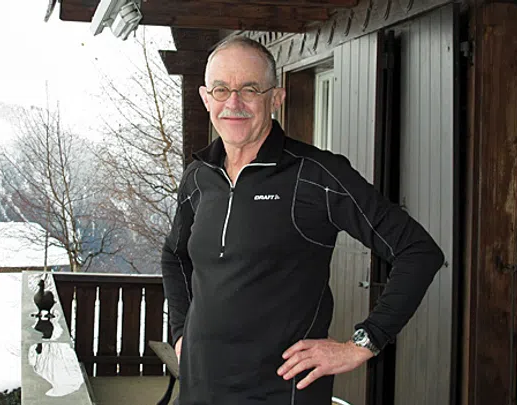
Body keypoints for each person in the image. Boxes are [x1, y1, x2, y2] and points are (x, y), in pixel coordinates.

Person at [161, 36, 444, 405]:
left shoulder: (316, 175)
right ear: (205, 98)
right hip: (200, 389)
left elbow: (418, 251)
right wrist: (181, 332)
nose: (233, 103)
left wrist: (364, 342)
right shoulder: (199, 176)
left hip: (281, 392)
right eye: (221, 90)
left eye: (250, 89)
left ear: (276, 98)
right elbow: (175, 255)